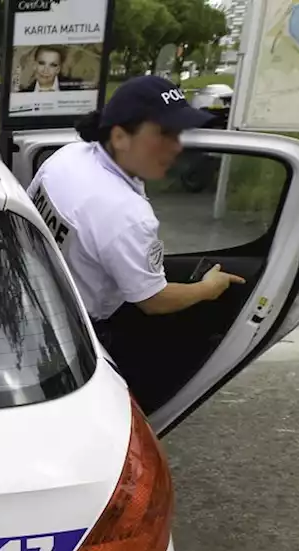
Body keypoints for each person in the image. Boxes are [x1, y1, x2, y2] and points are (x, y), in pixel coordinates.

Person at [25, 75, 245, 404]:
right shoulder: (126, 214)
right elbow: (153, 301)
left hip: (35, 296)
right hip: (81, 331)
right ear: (120, 136)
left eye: (178, 134)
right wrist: (207, 289)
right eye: (163, 135)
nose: (177, 146)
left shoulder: (68, 157)